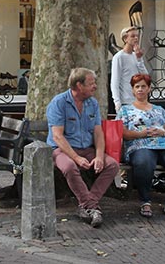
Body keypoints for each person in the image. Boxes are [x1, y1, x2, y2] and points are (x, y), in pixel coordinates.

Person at [47, 67, 119, 228]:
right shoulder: (58, 103)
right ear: (79, 85)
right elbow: (58, 136)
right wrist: (76, 157)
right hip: (62, 150)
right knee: (70, 167)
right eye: (91, 83)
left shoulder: (92, 103)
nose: (95, 86)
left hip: (87, 148)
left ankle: (87, 205)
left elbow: (98, 132)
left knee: (112, 165)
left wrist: (99, 156)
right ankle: (91, 207)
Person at [117, 74, 165, 219]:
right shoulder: (125, 110)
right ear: (132, 90)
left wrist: (162, 132)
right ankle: (145, 200)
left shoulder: (159, 109)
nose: (140, 90)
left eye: (143, 86)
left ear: (149, 89)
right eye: (137, 87)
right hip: (139, 144)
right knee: (144, 162)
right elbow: (121, 132)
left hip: (162, 143)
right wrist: (140, 134)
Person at [111, 26, 148, 107]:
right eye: (132, 36)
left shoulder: (136, 55)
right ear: (125, 39)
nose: (136, 38)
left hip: (139, 100)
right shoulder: (119, 57)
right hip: (126, 101)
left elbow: (145, 77)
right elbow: (115, 81)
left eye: (137, 36)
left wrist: (139, 59)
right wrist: (117, 102)